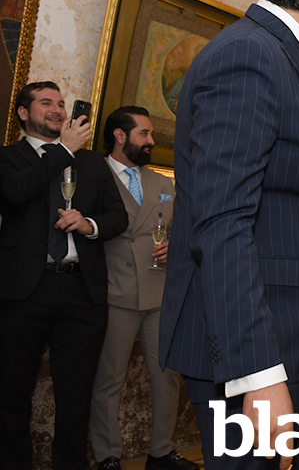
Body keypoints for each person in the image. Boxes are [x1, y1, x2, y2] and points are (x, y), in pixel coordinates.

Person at [159, 0, 299, 470]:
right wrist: (257, 373)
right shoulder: (248, 54)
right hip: (256, 336)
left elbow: (284, 191)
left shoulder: (282, 55)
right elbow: (222, 219)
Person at [0, 81, 128, 470]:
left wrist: (89, 225)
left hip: (81, 291)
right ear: (24, 113)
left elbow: (117, 216)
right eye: (46, 103)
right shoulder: (9, 158)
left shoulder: (92, 163)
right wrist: (63, 151)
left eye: (60, 103)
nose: (57, 109)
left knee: (76, 397)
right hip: (24, 292)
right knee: (11, 394)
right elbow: (16, 192)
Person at [90, 106, 197, 470]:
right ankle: (107, 456)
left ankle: (162, 452)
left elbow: (180, 227)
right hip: (114, 292)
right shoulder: (96, 176)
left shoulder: (162, 183)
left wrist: (175, 245)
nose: (151, 140)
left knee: (167, 377)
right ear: (120, 136)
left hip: (158, 292)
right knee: (109, 380)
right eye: (144, 134)